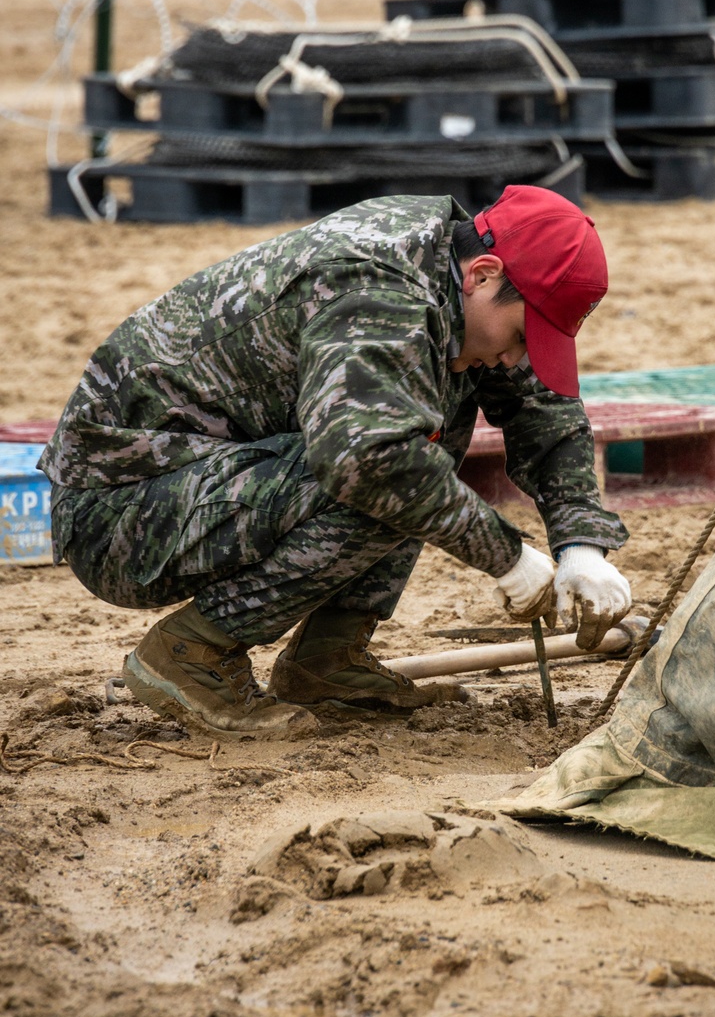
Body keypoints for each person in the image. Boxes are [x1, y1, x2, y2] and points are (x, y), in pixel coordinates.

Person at [41, 185, 631, 738]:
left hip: (206, 478)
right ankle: (191, 653)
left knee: (429, 420)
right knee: (389, 464)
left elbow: (542, 411)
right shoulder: (378, 289)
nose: (516, 360)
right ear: (484, 274)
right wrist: (508, 559)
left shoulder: (457, 274)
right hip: (119, 511)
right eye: (524, 335)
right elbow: (365, 459)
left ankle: (328, 658)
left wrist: (580, 545)